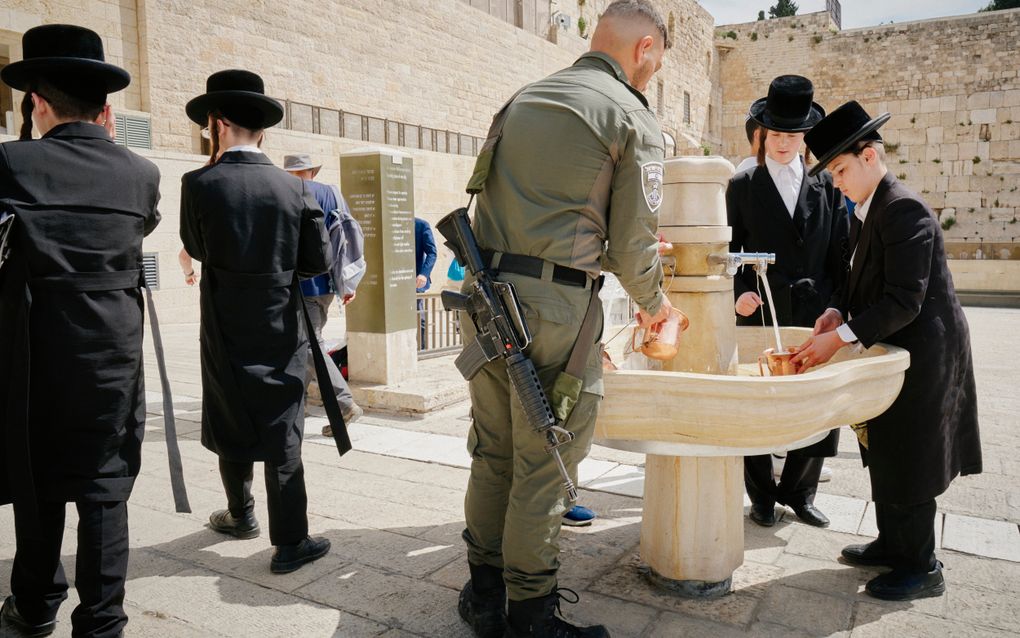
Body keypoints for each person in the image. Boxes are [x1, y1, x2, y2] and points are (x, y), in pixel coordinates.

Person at [456, 2, 674, 637]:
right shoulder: (632, 115)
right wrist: (658, 306)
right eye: (658, 58)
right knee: (546, 460)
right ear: (644, 49)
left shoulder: (522, 99)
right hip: (555, 311)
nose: (655, 71)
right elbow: (636, 247)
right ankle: (531, 615)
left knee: (492, 450)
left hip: (484, 299)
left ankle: (484, 594)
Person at [0, 24, 161, 637]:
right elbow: (136, 232)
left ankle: (36, 604)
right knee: (104, 484)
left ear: (37, 103)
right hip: (112, 350)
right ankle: (101, 621)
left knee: (36, 473)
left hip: (33, 347)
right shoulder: (141, 172)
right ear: (107, 110)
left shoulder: (11, 161)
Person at [794, 100, 982, 601]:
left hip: (924, 353)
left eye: (839, 170)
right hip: (891, 348)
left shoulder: (903, 208)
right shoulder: (864, 209)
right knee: (884, 447)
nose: (836, 182)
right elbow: (857, 281)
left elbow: (905, 297)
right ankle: (891, 543)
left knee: (912, 456)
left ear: (869, 155)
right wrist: (837, 313)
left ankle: (922, 566)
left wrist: (840, 338)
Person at [180, 69, 333, 575]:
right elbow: (318, 263)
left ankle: (241, 513)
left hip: (223, 321)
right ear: (261, 130)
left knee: (228, 410)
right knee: (282, 425)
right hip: (281, 324)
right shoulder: (296, 190)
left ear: (217, 123)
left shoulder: (198, 183)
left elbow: (197, 249)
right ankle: (291, 542)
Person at [726, 75, 849, 530]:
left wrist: (837, 306)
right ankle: (760, 496)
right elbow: (729, 251)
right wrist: (739, 293)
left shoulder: (829, 187)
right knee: (756, 403)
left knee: (817, 402)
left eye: (793, 136)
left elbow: (841, 257)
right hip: (761, 312)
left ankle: (801, 491)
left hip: (815, 313)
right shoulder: (741, 185)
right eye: (776, 134)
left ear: (805, 139)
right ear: (763, 135)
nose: (783, 143)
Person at [283, 153, 364, 436]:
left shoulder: (291, 193)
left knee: (308, 345)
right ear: (311, 172)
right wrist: (347, 283)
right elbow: (348, 237)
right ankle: (297, 403)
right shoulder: (333, 193)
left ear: (291, 174)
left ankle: (344, 403)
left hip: (303, 283)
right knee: (303, 344)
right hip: (329, 283)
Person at [415, 217, 438, 349]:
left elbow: (432, 253)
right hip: (395, 282)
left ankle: (421, 349)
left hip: (417, 282)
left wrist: (424, 273)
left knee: (419, 317)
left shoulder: (421, 225)